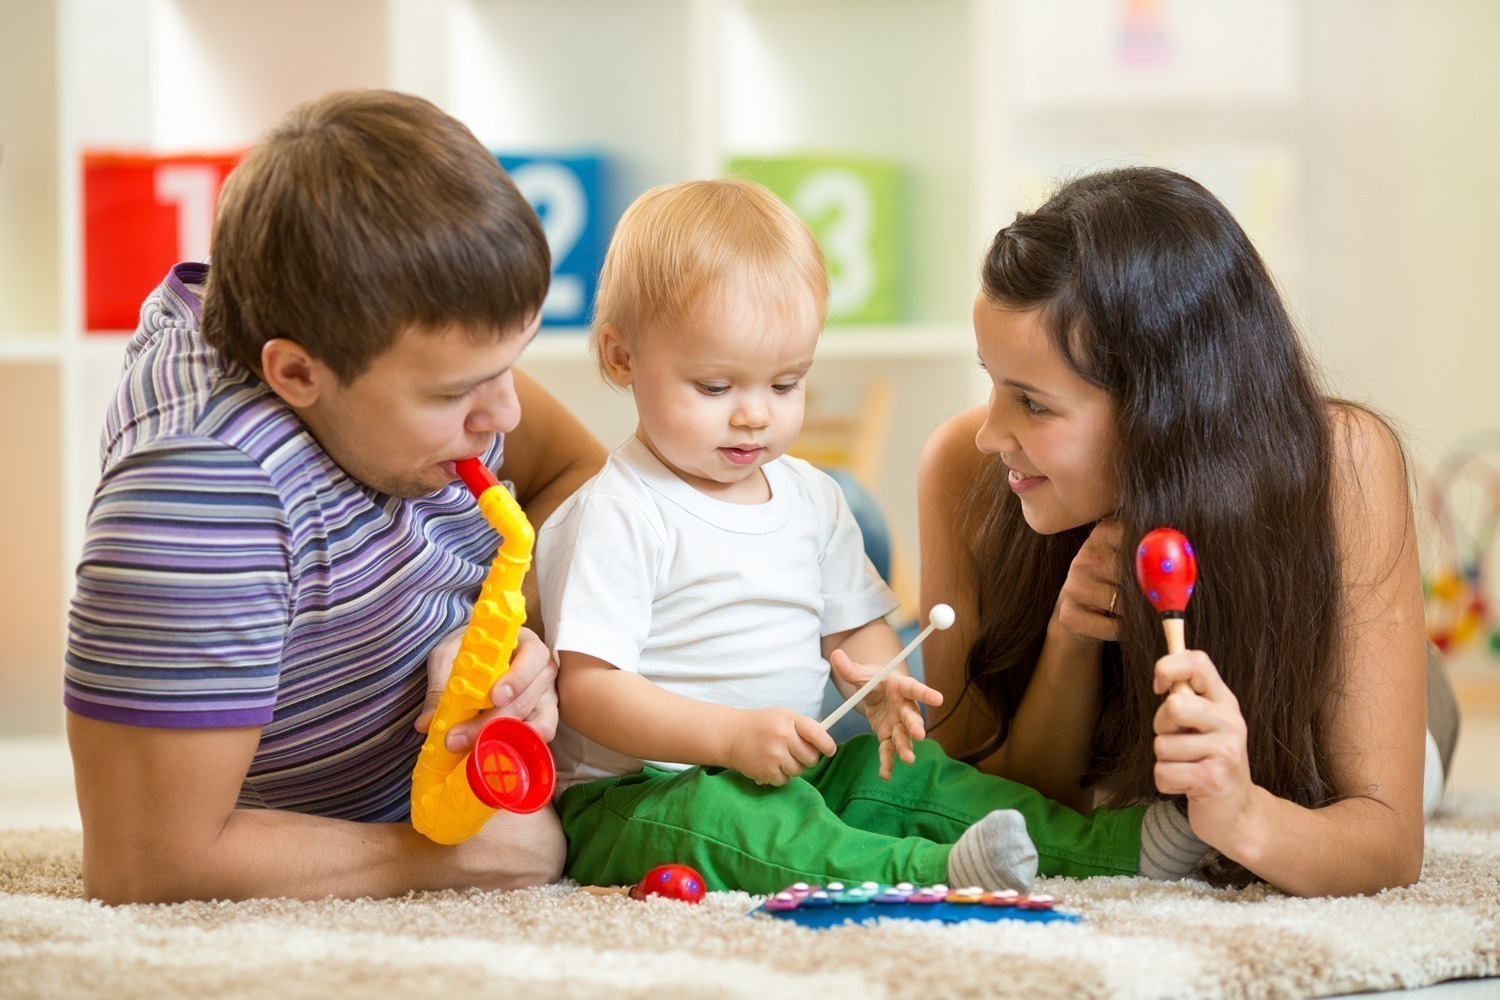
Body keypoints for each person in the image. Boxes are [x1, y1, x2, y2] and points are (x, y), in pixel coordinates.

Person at [535, 178, 1198, 895]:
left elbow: (856, 630)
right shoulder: (617, 512)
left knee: (924, 783)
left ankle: (1110, 846)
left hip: (794, 771)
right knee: (748, 825)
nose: (755, 416)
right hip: (639, 799)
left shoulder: (813, 499)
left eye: (786, 385)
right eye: (717, 388)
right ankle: (933, 872)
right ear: (622, 358)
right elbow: (590, 690)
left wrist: (884, 683)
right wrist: (727, 739)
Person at [63, 89, 607, 904]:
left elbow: (578, 474)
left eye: (508, 362)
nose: (507, 415)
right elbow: (148, 865)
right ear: (297, 372)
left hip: (546, 731)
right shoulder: (205, 490)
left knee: (833, 518)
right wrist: (460, 861)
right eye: (456, 392)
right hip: (385, 821)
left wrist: (513, 639)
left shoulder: (406, 342)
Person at [917, 165, 1460, 898]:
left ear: (1164, 409)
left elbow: (1387, 846)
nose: (989, 434)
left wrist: (1243, 817)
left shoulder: (1344, 463)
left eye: (1034, 405)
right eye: (990, 378)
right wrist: (1069, 641)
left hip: (1340, 696)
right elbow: (970, 805)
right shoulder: (960, 469)